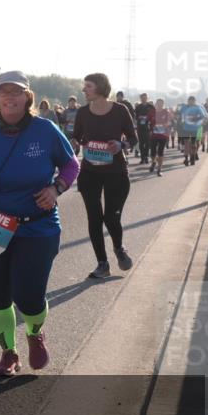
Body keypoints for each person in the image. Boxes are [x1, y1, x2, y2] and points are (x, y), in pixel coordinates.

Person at [0, 71, 79, 375]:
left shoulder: (46, 130)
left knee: (28, 296)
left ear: (27, 96)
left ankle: (34, 333)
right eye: (4, 92)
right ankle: (8, 353)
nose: (10, 97)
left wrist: (56, 189)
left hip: (37, 226)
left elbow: (70, 164)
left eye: (17, 92)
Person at [73, 73, 138, 279]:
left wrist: (121, 145)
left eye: (88, 86)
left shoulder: (120, 110)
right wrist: (76, 143)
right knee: (94, 218)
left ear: (100, 87)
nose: (84, 90)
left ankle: (118, 248)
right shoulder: (83, 112)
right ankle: (102, 264)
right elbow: (76, 136)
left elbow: (133, 139)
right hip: (90, 172)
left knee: (111, 216)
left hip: (116, 172)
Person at [178, 95, 208, 166]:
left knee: (193, 144)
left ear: (195, 101)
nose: (191, 102)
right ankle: (186, 158)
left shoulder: (198, 107)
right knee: (186, 144)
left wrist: (197, 119)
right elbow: (180, 115)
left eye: (192, 101)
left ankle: (192, 157)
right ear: (188, 101)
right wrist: (181, 121)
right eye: (189, 101)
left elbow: (202, 116)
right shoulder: (184, 107)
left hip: (195, 128)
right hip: (185, 128)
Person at [147, 98, 174, 176]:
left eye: (161, 103)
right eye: (158, 103)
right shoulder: (152, 112)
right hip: (153, 135)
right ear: (156, 104)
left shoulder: (166, 112)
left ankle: (159, 169)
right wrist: (149, 128)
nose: (159, 105)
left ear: (163, 104)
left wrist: (167, 124)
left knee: (160, 152)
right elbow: (147, 121)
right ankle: (153, 162)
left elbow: (171, 121)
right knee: (152, 152)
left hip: (163, 135)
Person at [134, 93, 155, 164]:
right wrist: (140, 117)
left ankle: (146, 156)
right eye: (142, 98)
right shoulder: (138, 107)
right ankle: (142, 158)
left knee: (148, 143)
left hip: (148, 127)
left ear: (147, 98)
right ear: (140, 98)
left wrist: (149, 119)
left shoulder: (151, 106)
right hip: (140, 127)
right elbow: (135, 116)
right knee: (141, 143)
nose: (144, 99)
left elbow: (154, 116)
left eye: (145, 97)